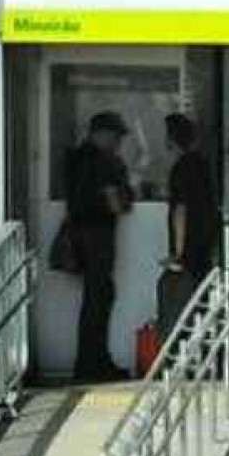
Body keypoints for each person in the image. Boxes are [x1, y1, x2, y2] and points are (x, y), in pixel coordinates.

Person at [66, 112, 134, 382]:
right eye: (116, 137)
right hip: (98, 237)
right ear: (102, 133)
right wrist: (123, 197)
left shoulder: (76, 158)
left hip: (82, 235)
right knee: (99, 298)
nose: (118, 143)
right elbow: (117, 203)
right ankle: (93, 365)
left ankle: (91, 362)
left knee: (95, 299)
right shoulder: (104, 161)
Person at [162, 113, 219, 327]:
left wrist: (177, 252)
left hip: (189, 246)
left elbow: (180, 210)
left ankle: (188, 351)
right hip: (204, 241)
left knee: (184, 302)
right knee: (201, 300)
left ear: (171, 139)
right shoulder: (202, 165)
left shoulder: (181, 168)